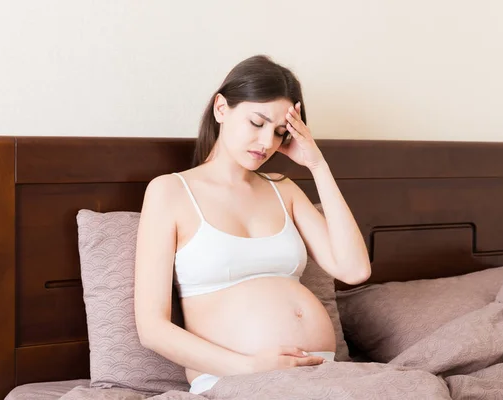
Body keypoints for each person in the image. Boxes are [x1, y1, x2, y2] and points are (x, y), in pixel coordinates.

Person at [134, 55, 371, 395]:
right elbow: (151, 328)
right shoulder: (169, 192)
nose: (267, 143)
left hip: (322, 377)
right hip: (234, 379)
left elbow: (355, 270)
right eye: (256, 123)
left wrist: (317, 165)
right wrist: (250, 367)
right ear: (221, 108)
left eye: (278, 132)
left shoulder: (283, 189)